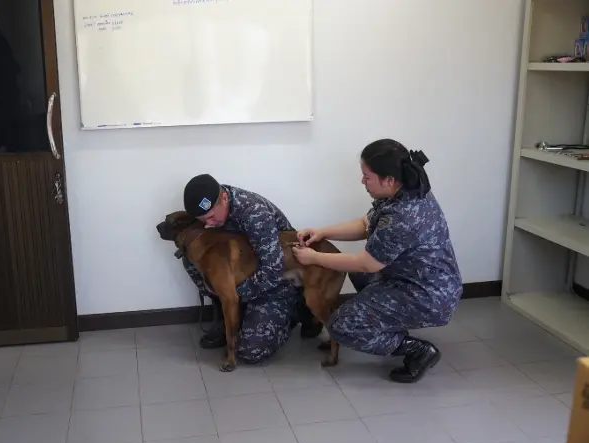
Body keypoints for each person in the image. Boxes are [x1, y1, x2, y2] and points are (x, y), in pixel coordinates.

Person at [292, 139, 463, 383]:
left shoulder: (403, 216)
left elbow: (366, 263)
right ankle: (389, 321)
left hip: (428, 296)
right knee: (358, 273)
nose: (362, 181)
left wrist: (314, 258)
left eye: (367, 176)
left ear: (388, 180)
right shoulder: (404, 190)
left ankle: (417, 350)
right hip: (417, 279)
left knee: (341, 325)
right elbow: (366, 224)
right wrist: (322, 232)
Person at [182, 174, 322, 363]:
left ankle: (295, 310)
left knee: (251, 350)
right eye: (203, 220)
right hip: (247, 274)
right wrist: (226, 295)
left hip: (279, 281)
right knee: (191, 258)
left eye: (212, 217)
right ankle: (230, 315)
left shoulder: (254, 213)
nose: (209, 224)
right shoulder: (211, 206)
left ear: (224, 197)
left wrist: (234, 295)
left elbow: (274, 269)